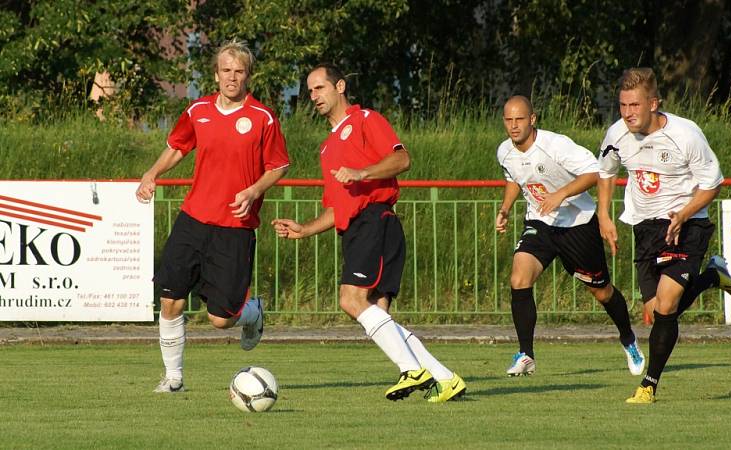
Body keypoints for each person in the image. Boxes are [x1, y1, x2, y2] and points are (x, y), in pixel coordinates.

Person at [272, 64, 465, 403]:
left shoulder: (365, 120)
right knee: (376, 310)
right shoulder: (327, 148)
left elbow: (402, 159)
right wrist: (304, 229)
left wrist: (362, 172)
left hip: (376, 220)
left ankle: (411, 369)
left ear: (340, 86)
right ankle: (445, 378)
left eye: (320, 88)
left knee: (351, 299)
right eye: (310, 91)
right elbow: (336, 207)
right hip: (357, 229)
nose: (314, 96)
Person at [136, 39, 290, 393]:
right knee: (170, 299)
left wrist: (253, 192)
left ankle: (249, 312)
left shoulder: (262, 117)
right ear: (216, 74)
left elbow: (278, 165)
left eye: (239, 71)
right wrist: (151, 173)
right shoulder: (197, 110)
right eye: (226, 71)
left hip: (234, 227)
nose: (232, 77)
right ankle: (173, 378)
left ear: (248, 75)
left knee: (220, 320)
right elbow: (178, 147)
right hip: (193, 219)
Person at [597, 67, 731, 404]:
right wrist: (604, 214)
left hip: (686, 225)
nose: (628, 113)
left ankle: (648, 386)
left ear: (653, 103)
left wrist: (684, 213)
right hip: (646, 229)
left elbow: (712, 184)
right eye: (623, 105)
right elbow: (605, 171)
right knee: (656, 313)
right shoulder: (616, 134)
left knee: (667, 303)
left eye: (635, 105)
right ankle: (711, 277)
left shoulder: (686, 135)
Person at [495, 95, 645, 378]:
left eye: (519, 119)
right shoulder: (505, 151)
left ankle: (628, 338)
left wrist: (561, 194)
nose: (514, 126)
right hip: (540, 222)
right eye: (508, 120)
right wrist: (505, 208)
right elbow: (515, 178)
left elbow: (594, 172)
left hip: (577, 224)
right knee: (519, 277)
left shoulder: (555, 145)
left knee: (601, 292)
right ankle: (526, 354)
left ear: (532, 119)